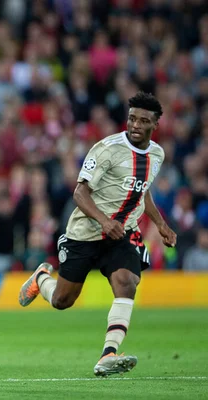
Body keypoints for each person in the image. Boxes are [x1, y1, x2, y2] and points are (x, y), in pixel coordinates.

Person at [18, 91, 177, 377]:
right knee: (63, 301)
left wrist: (161, 224)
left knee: (127, 282)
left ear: (155, 125)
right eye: (132, 119)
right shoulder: (106, 149)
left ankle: (109, 354)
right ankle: (41, 278)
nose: (135, 125)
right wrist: (104, 221)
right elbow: (80, 192)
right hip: (86, 232)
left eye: (143, 121)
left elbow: (144, 190)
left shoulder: (157, 154)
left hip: (123, 233)